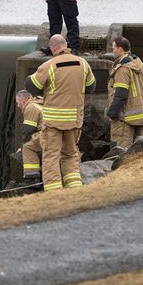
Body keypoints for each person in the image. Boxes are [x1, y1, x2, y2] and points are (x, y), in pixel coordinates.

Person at [25, 34, 95, 191]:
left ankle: (54, 192)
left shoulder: (49, 65)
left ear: (53, 48)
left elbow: (32, 86)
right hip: (74, 120)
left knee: (51, 156)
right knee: (70, 154)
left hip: (53, 122)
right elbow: (91, 87)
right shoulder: (83, 63)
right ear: (66, 45)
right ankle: (75, 188)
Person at [105, 36, 143, 147]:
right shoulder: (139, 63)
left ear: (120, 49)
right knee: (140, 152)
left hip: (124, 118)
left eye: (114, 48)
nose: (112, 51)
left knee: (120, 152)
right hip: (140, 114)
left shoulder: (123, 69)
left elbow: (120, 94)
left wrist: (112, 113)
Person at [15, 90, 43, 182]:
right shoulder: (38, 104)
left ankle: (32, 177)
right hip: (58, 134)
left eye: (18, 103)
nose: (18, 106)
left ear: (23, 101)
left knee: (27, 147)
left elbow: (28, 131)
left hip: (48, 134)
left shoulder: (30, 107)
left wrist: (21, 148)